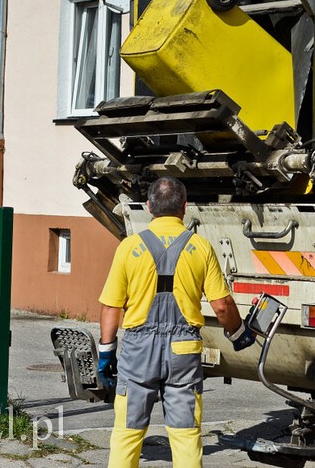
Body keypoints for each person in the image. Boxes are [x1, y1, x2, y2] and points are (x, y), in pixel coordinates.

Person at [97, 176, 255, 467]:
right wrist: (239, 332)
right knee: (185, 434)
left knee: (128, 433)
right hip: (183, 349)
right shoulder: (201, 247)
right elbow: (222, 306)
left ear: (148, 206)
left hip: (138, 350)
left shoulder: (129, 247)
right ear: (185, 207)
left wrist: (106, 352)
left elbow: (111, 306)